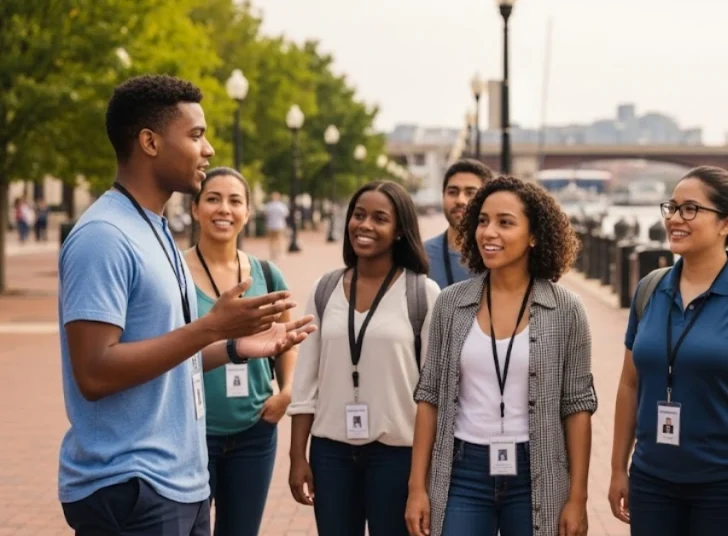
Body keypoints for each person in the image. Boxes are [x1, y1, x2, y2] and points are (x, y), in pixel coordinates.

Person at [57, 74, 315, 536]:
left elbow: (172, 355)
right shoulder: (104, 236)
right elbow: (94, 372)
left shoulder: (155, 230)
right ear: (150, 142)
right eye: (196, 135)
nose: (209, 149)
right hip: (133, 484)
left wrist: (237, 348)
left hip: (181, 482)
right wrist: (212, 328)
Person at [406, 176, 598, 536]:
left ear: (534, 235)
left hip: (536, 472)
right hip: (463, 470)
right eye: (482, 221)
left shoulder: (566, 309)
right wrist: (417, 488)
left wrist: (578, 498)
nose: (488, 232)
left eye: (505, 222)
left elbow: (577, 407)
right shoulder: (450, 304)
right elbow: (429, 396)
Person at [607, 166, 728, 536]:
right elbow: (630, 385)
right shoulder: (650, 289)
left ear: (726, 223)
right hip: (652, 480)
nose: (675, 219)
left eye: (690, 209)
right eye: (672, 208)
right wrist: (618, 469)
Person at [287, 180, 440, 536]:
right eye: (358, 215)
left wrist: (424, 476)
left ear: (400, 230)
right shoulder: (324, 289)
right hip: (332, 454)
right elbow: (306, 381)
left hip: (397, 454)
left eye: (379, 218)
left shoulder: (422, 293)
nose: (365, 225)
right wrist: (298, 455)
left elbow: (433, 392)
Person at [183, 167, 297, 536]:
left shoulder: (267, 272)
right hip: (192, 429)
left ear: (248, 212)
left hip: (255, 433)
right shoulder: (175, 272)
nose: (224, 209)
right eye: (213, 198)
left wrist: (286, 392)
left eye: (235, 201)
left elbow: (287, 339)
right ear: (195, 207)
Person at [423, 159, 493, 288]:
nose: (460, 200)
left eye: (470, 193)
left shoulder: (500, 255)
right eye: (452, 192)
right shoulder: (422, 255)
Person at [263, 191, 290, 261]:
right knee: (280, 240)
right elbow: (286, 214)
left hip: (271, 225)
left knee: (272, 241)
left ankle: (273, 254)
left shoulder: (269, 205)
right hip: (280, 225)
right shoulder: (281, 206)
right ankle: (281, 253)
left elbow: (266, 214)